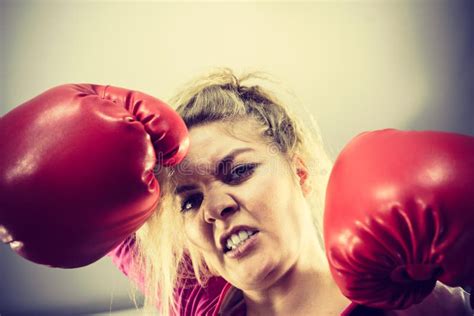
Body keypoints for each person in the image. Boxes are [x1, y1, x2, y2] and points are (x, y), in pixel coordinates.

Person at [107, 68, 473, 315]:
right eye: (189, 200)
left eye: (238, 171)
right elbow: (101, 212)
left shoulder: (410, 302)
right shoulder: (202, 302)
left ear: (299, 172)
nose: (214, 208)